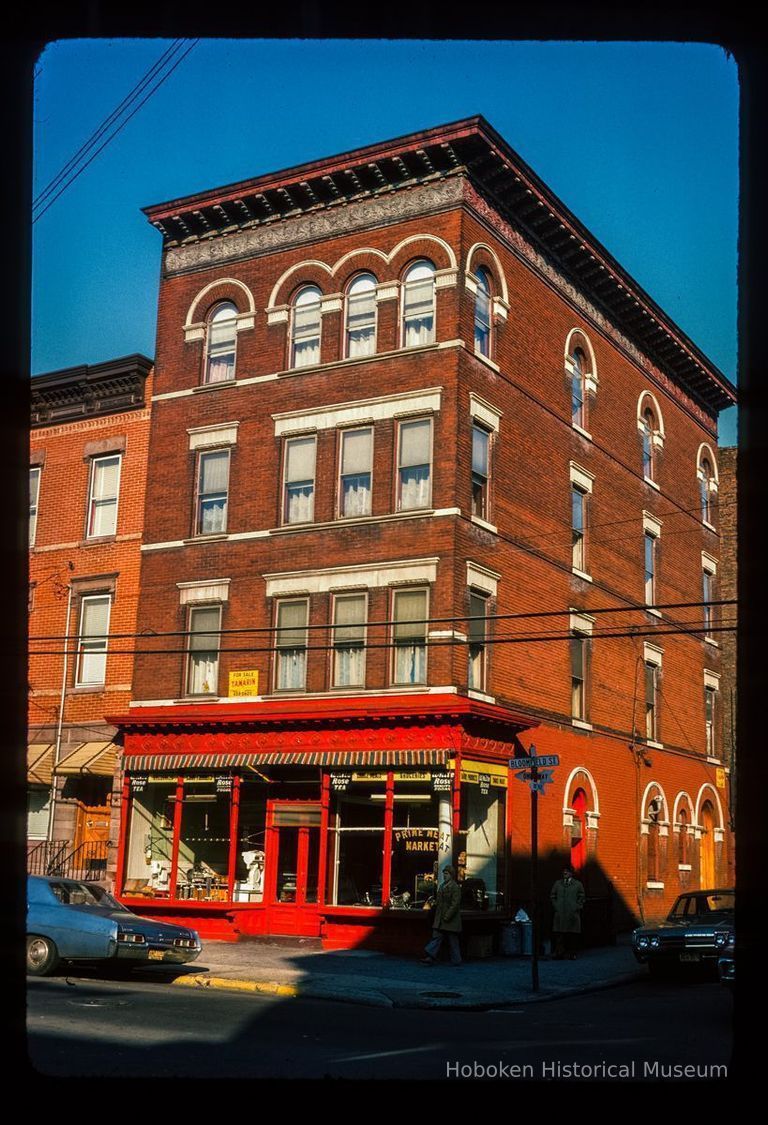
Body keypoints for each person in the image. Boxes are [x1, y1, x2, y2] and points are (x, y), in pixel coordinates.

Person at [420, 865, 463, 966]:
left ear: (451, 875)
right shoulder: (442, 886)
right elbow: (439, 902)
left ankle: (456, 960)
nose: (444, 876)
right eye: (444, 874)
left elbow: (455, 904)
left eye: (446, 874)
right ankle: (430, 956)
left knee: (452, 940)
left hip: (449, 919)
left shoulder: (455, 887)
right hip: (440, 918)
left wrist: (447, 916)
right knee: (437, 937)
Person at [550, 866, 586, 960]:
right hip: (560, 913)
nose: (565, 873)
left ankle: (572, 953)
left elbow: (582, 896)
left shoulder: (577, 884)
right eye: (564, 872)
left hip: (572, 913)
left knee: (572, 935)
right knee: (559, 935)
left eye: (567, 872)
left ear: (571, 873)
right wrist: (556, 906)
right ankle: (559, 953)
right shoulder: (558, 884)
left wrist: (577, 907)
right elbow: (552, 895)